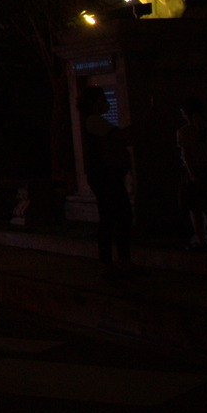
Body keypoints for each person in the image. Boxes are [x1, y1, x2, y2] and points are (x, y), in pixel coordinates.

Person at [78, 86, 138, 276]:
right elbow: (119, 136)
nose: (106, 102)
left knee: (112, 216)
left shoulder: (95, 122)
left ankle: (113, 261)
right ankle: (117, 261)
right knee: (118, 215)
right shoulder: (93, 121)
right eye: (102, 99)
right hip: (105, 175)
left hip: (104, 175)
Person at [175, 97, 207, 249]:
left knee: (194, 208)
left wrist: (192, 175)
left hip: (193, 172)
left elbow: (186, 156)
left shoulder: (183, 132)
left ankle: (200, 239)